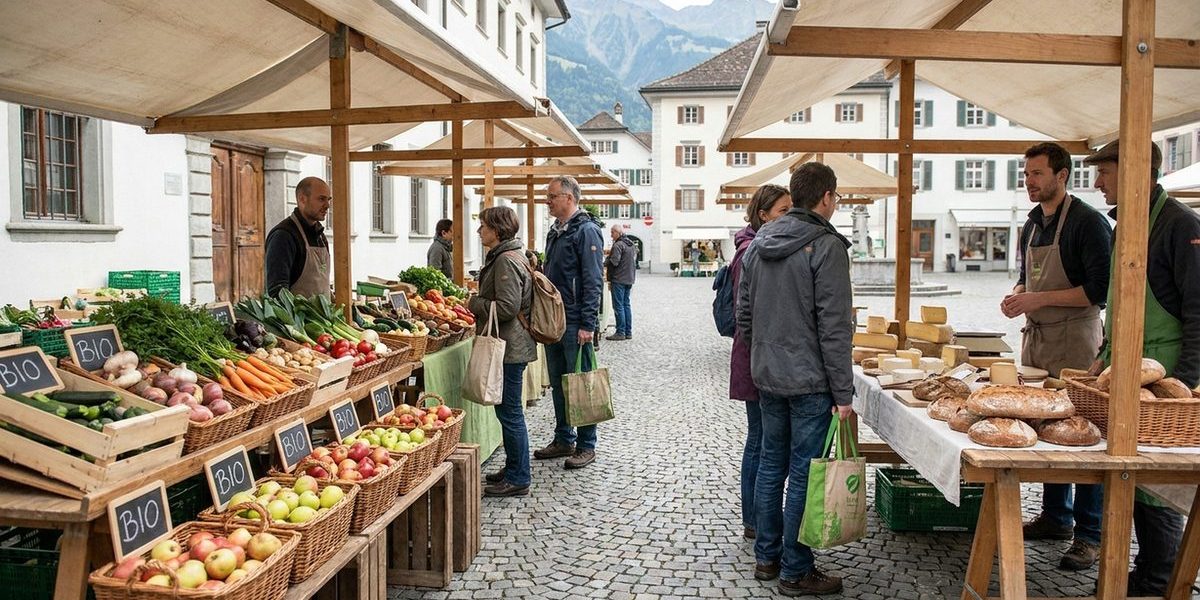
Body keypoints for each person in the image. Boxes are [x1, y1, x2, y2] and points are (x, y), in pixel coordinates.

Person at [1085, 139, 1200, 596]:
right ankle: (1143, 570)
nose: (1097, 183)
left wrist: (1184, 382)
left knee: (1157, 485)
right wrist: (1104, 353)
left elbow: (1198, 310)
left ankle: (1158, 579)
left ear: (1137, 172)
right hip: (1125, 368)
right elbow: (1121, 302)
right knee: (1131, 477)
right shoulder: (1126, 226)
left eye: (1105, 173)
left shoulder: (1179, 224)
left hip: (1165, 374)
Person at [736, 163, 854, 596]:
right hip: (809, 380)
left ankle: (767, 558)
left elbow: (743, 317)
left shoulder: (758, 243)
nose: (836, 204)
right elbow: (835, 327)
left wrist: (765, 352)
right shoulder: (826, 245)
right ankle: (796, 569)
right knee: (804, 472)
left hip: (769, 375)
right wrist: (844, 393)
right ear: (826, 197)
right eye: (836, 198)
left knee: (771, 465)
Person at [1001, 143, 1113, 571]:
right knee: (1047, 426)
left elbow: (1098, 290)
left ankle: (1089, 534)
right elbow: (1025, 277)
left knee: (1085, 433)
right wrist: (1017, 295)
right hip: (1039, 338)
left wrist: (1036, 298)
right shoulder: (1031, 224)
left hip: (1077, 340)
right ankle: (1055, 516)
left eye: (1036, 174)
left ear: (1062, 175)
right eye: (1026, 174)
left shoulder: (1088, 223)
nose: (1029, 181)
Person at [729, 184, 791, 541]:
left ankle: (756, 517)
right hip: (755, 357)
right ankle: (754, 518)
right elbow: (748, 312)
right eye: (783, 211)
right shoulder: (750, 252)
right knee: (760, 440)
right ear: (763, 214)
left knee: (761, 439)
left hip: (757, 355)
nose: (790, 216)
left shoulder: (754, 246)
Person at [533, 176, 604, 469]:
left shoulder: (586, 231)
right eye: (548, 197)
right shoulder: (556, 232)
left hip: (575, 321)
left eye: (552, 197)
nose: (547, 201)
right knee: (560, 383)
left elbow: (593, 280)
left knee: (581, 383)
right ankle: (564, 438)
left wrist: (589, 324)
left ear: (569, 198)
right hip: (555, 321)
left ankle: (586, 444)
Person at [468, 207, 536, 497]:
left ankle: (519, 476)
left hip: (509, 347)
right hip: (511, 345)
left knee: (510, 413)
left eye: (483, 226)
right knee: (508, 411)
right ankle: (513, 468)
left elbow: (507, 307)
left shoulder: (506, 261)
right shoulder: (508, 256)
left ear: (497, 230)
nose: (479, 231)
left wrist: (475, 303)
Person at [265, 176, 331, 298]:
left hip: (322, 317)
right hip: (298, 317)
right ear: (302, 199)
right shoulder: (283, 236)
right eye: (321, 199)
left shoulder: (321, 236)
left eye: (329, 199)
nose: (327, 205)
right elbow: (277, 291)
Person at [605, 225, 637, 341]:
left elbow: (615, 261)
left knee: (618, 306)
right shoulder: (631, 244)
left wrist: (606, 261)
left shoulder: (618, 245)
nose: (611, 235)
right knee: (626, 305)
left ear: (617, 233)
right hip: (629, 278)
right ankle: (628, 332)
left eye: (612, 233)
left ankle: (620, 332)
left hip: (618, 279)